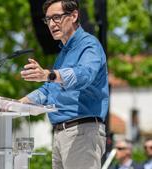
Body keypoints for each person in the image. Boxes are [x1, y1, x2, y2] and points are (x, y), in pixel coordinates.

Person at [19, 0, 109, 168]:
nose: (51, 24)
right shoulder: (63, 54)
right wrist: (16, 104)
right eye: (48, 20)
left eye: (56, 17)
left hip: (82, 131)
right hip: (61, 133)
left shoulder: (89, 45)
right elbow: (49, 90)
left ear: (74, 15)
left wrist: (49, 74)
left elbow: (84, 75)